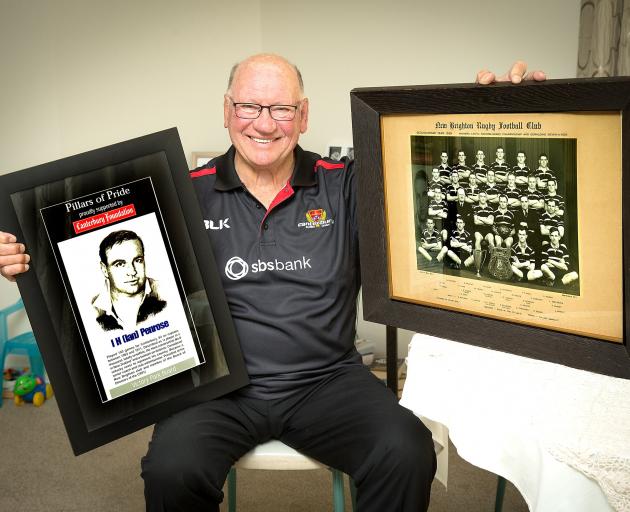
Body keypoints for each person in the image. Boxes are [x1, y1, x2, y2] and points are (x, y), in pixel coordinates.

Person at [0, 55, 544, 512]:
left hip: (328, 381)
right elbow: (87, 260)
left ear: (303, 115)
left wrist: (497, 116)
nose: (264, 123)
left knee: (407, 450)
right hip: (217, 390)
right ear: (227, 112)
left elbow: (441, 199)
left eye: (281, 108)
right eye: (249, 107)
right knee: (171, 468)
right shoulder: (179, 192)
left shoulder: (348, 186)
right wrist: (23, 256)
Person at [93, 229, 166, 331]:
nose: (132, 271)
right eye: (120, 264)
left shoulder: (166, 292)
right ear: (105, 270)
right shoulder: (92, 310)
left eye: (138, 260)